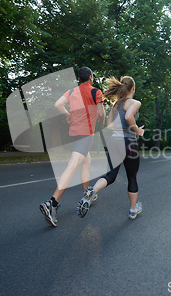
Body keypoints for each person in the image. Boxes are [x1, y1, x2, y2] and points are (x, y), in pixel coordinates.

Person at [40, 67, 105, 227]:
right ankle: (52, 203)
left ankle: (86, 194)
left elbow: (58, 104)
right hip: (86, 134)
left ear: (79, 78)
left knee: (86, 161)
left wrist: (68, 115)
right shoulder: (96, 92)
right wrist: (101, 121)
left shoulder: (71, 91)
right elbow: (102, 113)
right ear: (90, 77)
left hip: (74, 133)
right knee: (73, 166)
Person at [77, 76, 145, 220]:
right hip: (128, 143)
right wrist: (138, 131)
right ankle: (133, 210)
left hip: (114, 141)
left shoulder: (115, 105)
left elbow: (110, 125)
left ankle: (92, 191)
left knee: (110, 176)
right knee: (132, 176)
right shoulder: (135, 102)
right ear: (133, 88)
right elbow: (128, 116)